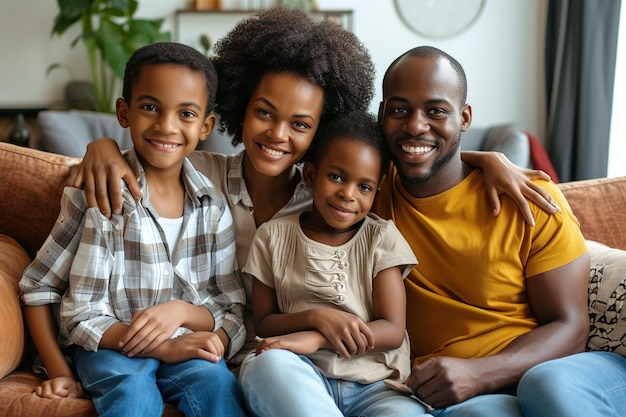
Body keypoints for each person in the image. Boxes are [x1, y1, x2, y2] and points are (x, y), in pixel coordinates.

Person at [72, 9, 559, 369]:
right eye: (264, 112)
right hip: (212, 357)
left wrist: (487, 158)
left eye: (301, 124)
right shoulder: (199, 174)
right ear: (239, 109)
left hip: (306, 366)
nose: (278, 135)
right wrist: (103, 148)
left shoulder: (336, 200)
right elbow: (153, 149)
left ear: (322, 132)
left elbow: (419, 162)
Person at [20, 42, 247, 417]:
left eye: (186, 113)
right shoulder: (97, 195)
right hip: (109, 349)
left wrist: (190, 320)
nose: (166, 126)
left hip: (186, 347)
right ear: (123, 112)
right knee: (133, 395)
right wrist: (60, 371)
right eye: (150, 107)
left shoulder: (213, 207)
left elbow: (229, 308)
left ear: (206, 125)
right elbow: (39, 287)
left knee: (219, 387)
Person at [373, 45, 591, 416]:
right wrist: (484, 157)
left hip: (523, 378)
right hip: (424, 396)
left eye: (436, 111)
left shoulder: (529, 200)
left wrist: (480, 373)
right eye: (399, 110)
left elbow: (571, 326)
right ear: (381, 116)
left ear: (465, 117)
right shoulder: (366, 192)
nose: (414, 125)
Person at [240, 111, 430, 416]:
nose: (347, 194)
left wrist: (317, 337)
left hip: (377, 386)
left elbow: (393, 330)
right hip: (302, 374)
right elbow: (264, 322)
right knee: (266, 365)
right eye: (337, 177)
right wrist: (317, 316)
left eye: (364, 187)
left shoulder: (381, 238)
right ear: (311, 175)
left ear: (375, 193)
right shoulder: (273, 236)